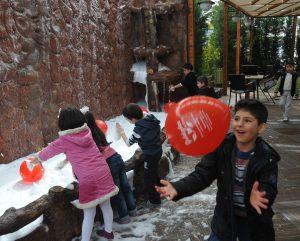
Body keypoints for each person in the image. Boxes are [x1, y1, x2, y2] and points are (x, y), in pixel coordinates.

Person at [156, 99, 280, 241]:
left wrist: (262, 195)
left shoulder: (267, 157)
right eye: (237, 118)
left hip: (254, 223)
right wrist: (178, 187)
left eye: (247, 120)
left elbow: (269, 185)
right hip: (225, 219)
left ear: (261, 127)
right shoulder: (222, 147)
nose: (239, 124)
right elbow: (202, 174)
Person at [30, 107, 118, 241]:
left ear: (63, 124)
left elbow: (49, 151)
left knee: (89, 212)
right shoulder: (87, 132)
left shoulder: (64, 140)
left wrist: (37, 159)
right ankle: (109, 232)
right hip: (103, 172)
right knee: (106, 204)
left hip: (88, 180)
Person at [82, 107, 137, 224]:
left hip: (109, 163)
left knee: (118, 191)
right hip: (117, 157)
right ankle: (133, 210)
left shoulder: (87, 135)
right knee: (126, 186)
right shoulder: (98, 130)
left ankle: (124, 217)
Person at [116, 103, 162, 206]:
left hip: (150, 155)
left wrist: (122, 132)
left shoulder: (138, 130)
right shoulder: (151, 118)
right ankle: (162, 190)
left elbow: (128, 143)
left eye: (128, 120)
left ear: (132, 120)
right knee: (154, 172)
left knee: (148, 178)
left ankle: (155, 201)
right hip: (158, 150)